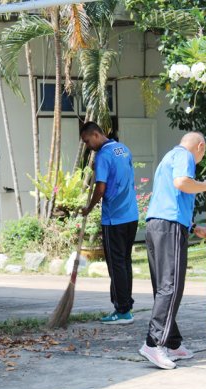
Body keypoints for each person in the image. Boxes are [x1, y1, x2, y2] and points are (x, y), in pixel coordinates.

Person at [139, 131, 206, 369]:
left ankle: (172, 342)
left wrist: (193, 227)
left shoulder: (169, 157)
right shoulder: (184, 156)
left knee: (165, 287)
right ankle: (153, 344)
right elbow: (181, 183)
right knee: (170, 287)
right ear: (200, 146)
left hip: (160, 225)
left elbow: (171, 197)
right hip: (168, 225)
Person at [80, 122, 139, 324]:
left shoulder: (103, 155)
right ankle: (126, 305)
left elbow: (101, 187)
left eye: (88, 141)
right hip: (131, 214)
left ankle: (122, 310)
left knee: (116, 265)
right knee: (125, 262)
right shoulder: (123, 149)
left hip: (114, 218)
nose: (88, 146)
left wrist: (88, 207)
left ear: (96, 134)